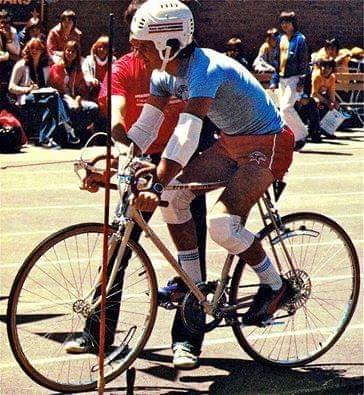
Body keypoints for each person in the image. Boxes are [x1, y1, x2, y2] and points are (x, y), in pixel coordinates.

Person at [109, 0, 295, 369]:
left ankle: (276, 285)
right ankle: (193, 288)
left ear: (168, 44)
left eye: (141, 45)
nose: (135, 53)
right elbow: (146, 128)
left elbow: (186, 135)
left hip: (268, 143)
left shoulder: (204, 70)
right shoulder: (163, 73)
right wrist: (122, 157)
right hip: (230, 142)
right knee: (174, 200)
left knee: (222, 225)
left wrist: (158, 181)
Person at [64, 0, 214, 369]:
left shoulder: (183, 67)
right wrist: (115, 152)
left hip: (184, 160)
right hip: (142, 158)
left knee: (190, 252)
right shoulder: (124, 67)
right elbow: (117, 116)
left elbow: (193, 127)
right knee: (118, 249)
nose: (137, 50)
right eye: (134, 41)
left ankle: (187, 340)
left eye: (142, 42)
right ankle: (97, 332)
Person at [8, 38, 73, 148]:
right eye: (32, 48)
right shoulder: (21, 65)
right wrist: (27, 89)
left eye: (38, 48)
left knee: (53, 99)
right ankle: (68, 127)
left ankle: (44, 139)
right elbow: (11, 87)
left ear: (42, 50)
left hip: (42, 96)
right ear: (28, 49)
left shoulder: (45, 66)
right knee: (53, 98)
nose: (35, 50)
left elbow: (47, 85)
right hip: (26, 97)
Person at [270, 11, 309, 150]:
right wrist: (274, 80)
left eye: (287, 22)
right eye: (282, 22)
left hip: (294, 78)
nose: (284, 25)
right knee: (282, 112)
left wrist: (301, 82)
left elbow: (304, 62)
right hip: (281, 79)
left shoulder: (300, 39)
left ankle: (302, 134)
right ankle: (293, 139)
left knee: (287, 108)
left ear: (293, 23)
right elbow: (277, 61)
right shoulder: (280, 39)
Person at [50, 40, 98, 144]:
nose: (70, 53)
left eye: (73, 51)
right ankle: (70, 133)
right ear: (64, 51)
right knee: (70, 108)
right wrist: (71, 100)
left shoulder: (79, 69)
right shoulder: (57, 67)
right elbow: (57, 88)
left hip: (76, 98)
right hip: (61, 98)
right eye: (68, 50)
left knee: (93, 107)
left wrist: (77, 100)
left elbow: (82, 90)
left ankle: (78, 131)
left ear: (77, 54)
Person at [82, 35, 115, 102]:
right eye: (99, 47)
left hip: (108, 93)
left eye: (105, 47)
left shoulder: (113, 61)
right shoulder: (89, 60)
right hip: (91, 93)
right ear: (96, 48)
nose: (102, 50)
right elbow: (85, 75)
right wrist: (92, 80)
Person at [0, 9, 20, 102]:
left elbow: (16, 54)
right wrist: (8, 56)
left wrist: (9, 39)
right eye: (2, 22)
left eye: (7, 22)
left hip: (8, 66)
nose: (4, 25)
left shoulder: (12, 31)